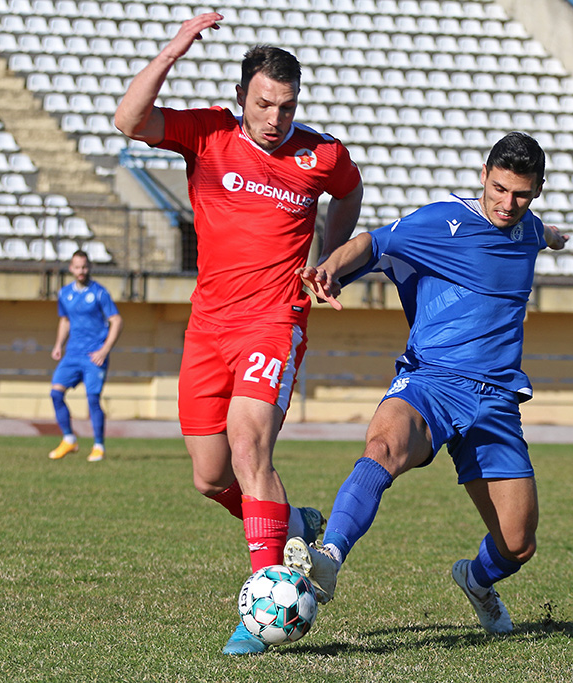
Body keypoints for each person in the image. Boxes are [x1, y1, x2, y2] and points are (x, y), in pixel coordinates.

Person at [114, 13, 364, 654]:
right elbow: (128, 121)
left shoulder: (320, 154)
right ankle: (291, 524)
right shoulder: (208, 134)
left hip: (275, 321)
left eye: (286, 105)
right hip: (208, 326)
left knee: (250, 448)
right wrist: (172, 51)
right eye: (263, 103)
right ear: (242, 99)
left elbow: (349, 189)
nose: (275, 117)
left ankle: (263, 607)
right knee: (209, 476)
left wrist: (326, 261)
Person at [283, 132, 567, 636]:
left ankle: (476, 580)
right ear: (484, 174)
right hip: (431, 381)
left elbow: (536, 233)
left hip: (497, 401)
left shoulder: (527, 229)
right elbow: (375, 242)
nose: (507, 204)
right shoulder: (443, 222)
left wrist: (552, 237)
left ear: (538, 190)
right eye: (498, 189)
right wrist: (329, 266)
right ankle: (328, 556)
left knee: (518, 544)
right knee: (384, 445)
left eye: (520, 195)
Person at [48, 249, 123, 462]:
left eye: (85, 267)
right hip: (72, 354)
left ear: (89, 268)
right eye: (78, 267)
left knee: (92, 399)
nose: (81, 271)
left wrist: (105, 349)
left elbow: (116, 320)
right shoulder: (64, 293)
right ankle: (69, 439)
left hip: (94, 355)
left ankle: (99, 445)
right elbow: (65, 320)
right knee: (55, 393)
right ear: (71, 269)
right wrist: (58, 345)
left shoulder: (100, 293)